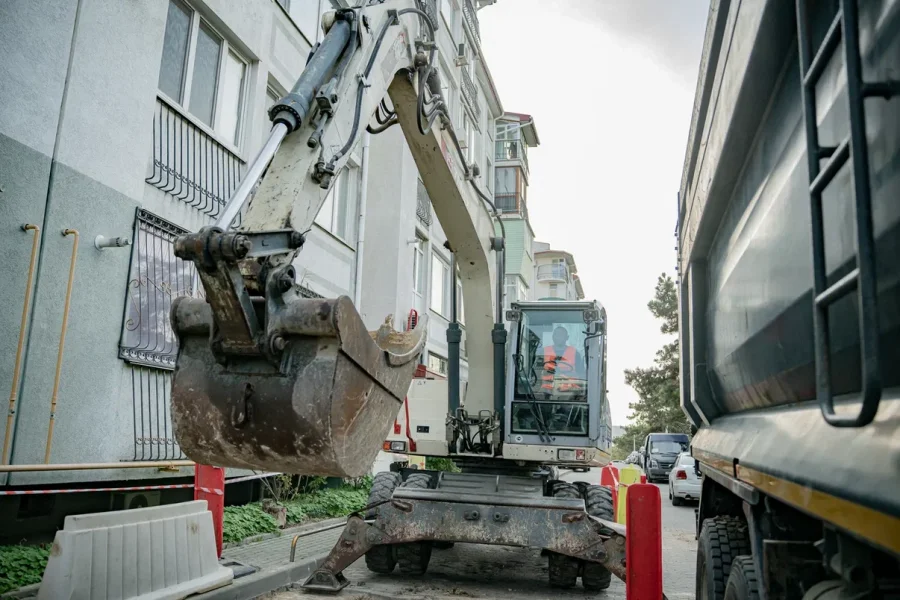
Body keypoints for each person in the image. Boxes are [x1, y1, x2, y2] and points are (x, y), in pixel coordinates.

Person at [541, 326, 586, 396]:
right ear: (552, 337)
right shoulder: (543, 352)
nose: (558, 337)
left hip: (570, 393)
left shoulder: (575, 353)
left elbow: (581, 373)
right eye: (556, 335)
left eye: (561, 335)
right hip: (547, 393)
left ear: (567, 337)